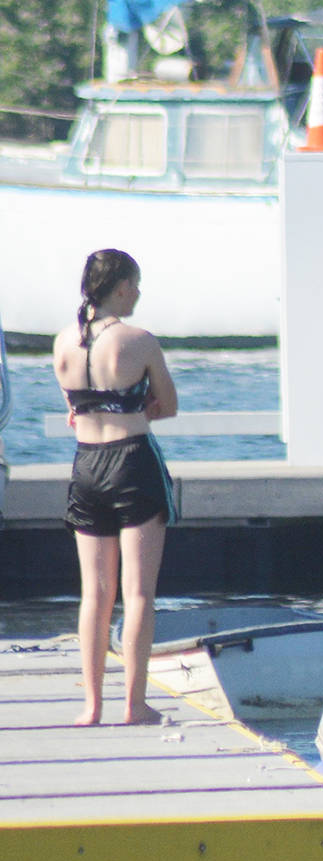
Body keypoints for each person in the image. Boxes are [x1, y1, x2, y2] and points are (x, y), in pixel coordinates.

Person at [52, 249, 178, 726]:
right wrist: (139, 406)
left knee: (94, 594)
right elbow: (167, 404)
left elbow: (73, 408)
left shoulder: (63, 341)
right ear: (121, 287)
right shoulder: (138, 340)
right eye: (137, 285)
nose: (139, 294)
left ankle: (92, 706)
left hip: (86, 465)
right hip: (131, 461)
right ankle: (135, 704)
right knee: (138, 592)